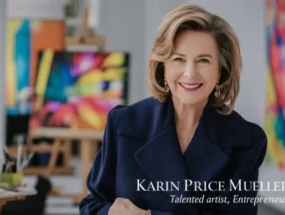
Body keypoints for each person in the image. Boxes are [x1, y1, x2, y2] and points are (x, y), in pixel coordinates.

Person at [79, 4, 267, 215]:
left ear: (221, 70)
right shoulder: (124, 123)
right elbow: (92, 205)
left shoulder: (247, 140)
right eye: (178, 59)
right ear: (163, 65)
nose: (190, 73)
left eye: (203, 60)